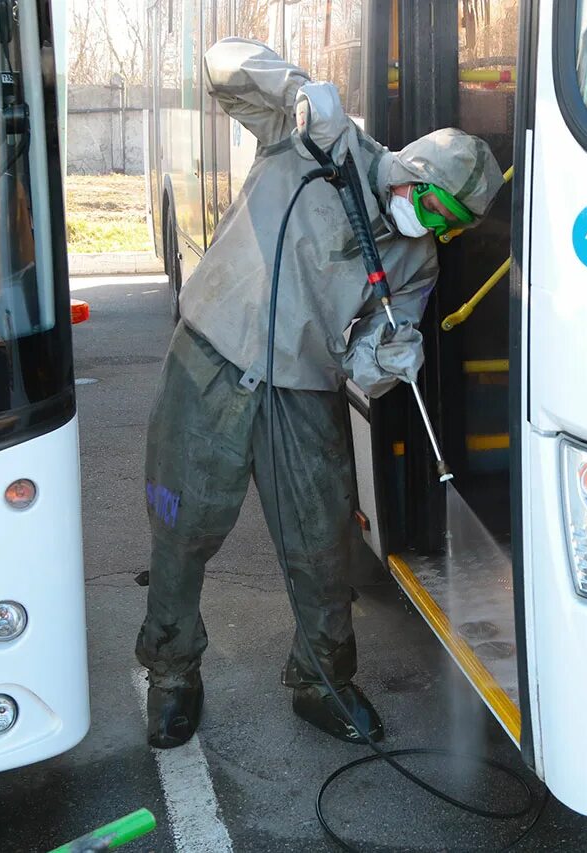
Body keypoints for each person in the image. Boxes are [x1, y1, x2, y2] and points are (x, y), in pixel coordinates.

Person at [135, 37, 503, 750]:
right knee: (182, 528)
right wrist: (294, 87)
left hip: (301, 392)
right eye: (434, 207)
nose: (434, 227)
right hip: (211, 358)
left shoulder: (413, 261)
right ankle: (172, 672)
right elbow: (222, 65)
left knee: (322, 543)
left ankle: (322, 680)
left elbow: (365, 364)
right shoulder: (316, 146)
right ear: (412, 171)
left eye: (450, 224)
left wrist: (391, 356)